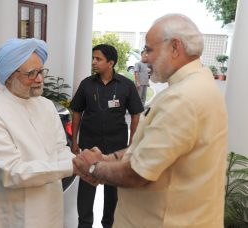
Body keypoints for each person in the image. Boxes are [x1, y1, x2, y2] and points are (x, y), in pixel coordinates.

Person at [73, 14, 228, 228]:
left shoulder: (183, 98)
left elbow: (138, 173)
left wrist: (94, 168)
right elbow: (155, 147)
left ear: (174, 47)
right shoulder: (199, 82)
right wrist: (114, 157)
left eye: (149, 50)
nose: (144, 58)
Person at [0, 38, 77, 228]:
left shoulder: (46, 106)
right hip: (14, 219)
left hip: (51, 212)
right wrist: (74, 166)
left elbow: (60, 149)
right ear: (9, 76)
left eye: (40, 71)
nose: (39, 79)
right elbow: (12, 173)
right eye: (31, 73)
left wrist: (81, 163)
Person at [70, 44, 143, 228]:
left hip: (116, 146)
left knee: (113, 192)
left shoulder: (126, 85)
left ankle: (109, 224)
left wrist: (132, 142)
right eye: (93, 58)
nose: (93, 62)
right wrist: (74, 141)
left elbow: (136, 113)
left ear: (111, 62)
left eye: (98, 59)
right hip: (89, 145)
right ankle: (84, 224)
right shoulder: (87, 84)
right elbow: (77, 111)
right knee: (86, 189)